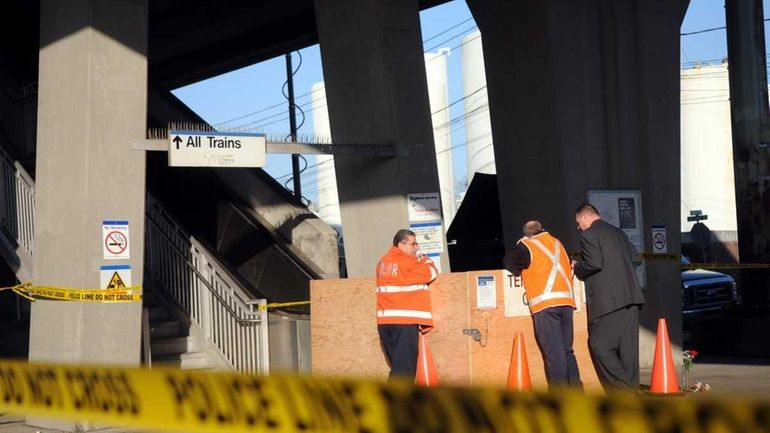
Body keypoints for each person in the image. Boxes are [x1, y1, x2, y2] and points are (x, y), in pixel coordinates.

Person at [572, 203, 645, 391]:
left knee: (599, 345)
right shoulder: (619, 233)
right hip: (631, 298)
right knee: (628, 352)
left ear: (586, 217)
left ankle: (626, 391)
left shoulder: (588, 235)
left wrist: (576, 267)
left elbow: (594, 263)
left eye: (578, 222)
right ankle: (632, 394)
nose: (578, 227)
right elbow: (636, 258)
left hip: (608, 302)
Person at [503, 220, 582, 389]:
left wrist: (521, 250)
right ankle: (577, 391)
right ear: (542, 230)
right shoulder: (557, 242)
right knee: (567, 350)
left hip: (546, 305)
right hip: (566, 303)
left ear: (526, 235)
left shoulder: (526, 246)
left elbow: (509, 262)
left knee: (554, 353)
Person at [376, 229, 438, 379]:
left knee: (398, 367)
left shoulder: (382, 262)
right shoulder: (406, 262)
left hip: (385, 323)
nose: (416, 248)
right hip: (404, 323)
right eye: (413, 244)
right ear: (401, 245)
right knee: (404, 371)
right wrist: (426, 260)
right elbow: (431, 272)